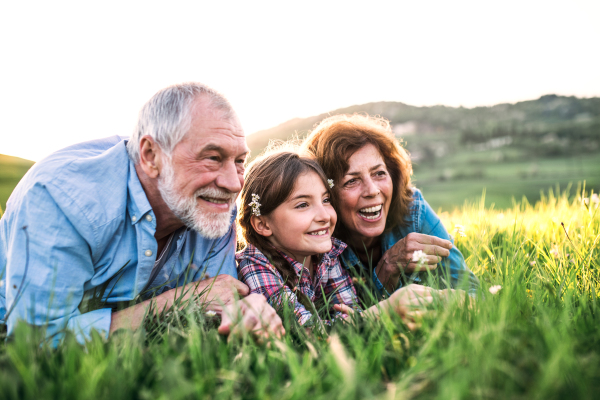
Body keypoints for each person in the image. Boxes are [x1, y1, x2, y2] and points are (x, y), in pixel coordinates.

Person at [0, 83, 284, 345]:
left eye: (238, 161)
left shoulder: (214, 205)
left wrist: (245, 313)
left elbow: (218, 303)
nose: (234, 184)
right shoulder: (63, 199)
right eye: (212, 158)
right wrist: (176, 303)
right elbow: (35, 341)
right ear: (151, 156)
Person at [236, 150, 453, 328]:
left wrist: (357, 321)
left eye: (326, 200)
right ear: (263, 224)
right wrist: (381, 313)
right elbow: (307, 334)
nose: (324, 216)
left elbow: (352, 312)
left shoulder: (327, 255)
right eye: (303, 205)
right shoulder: (256, 266)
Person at [300, 114, 479, 298]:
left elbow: (474, 292)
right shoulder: (316, 240)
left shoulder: (414, 211)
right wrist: (387, 270)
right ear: (325, 194)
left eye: (379, 173)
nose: (372, 190)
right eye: (352, 181)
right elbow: (351, 322)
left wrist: (433, 301)